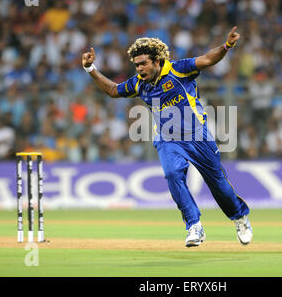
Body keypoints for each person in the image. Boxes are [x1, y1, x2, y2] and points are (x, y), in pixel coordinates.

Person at [82, 27, 252, 247]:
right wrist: (90, 69)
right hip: (167, 139)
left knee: (217, 184)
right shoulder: (138, 83)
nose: (139, 69)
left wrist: (226, 46)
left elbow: (208, 59)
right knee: (172, 174)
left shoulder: (179, 70)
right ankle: (194, 226)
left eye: (143, 63)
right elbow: (114, 90)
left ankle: (239, 217)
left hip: (197, 135)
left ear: (157, 61)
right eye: (136, 65)